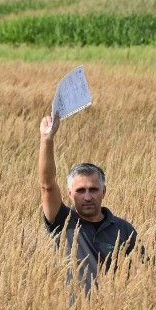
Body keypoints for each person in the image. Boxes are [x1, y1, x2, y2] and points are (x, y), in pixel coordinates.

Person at [39, 113, 139, 294]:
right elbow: (47, 185)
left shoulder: (123, 229)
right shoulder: (63, 222)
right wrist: (47, 139)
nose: (87, 197)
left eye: (93, 190)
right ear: (69, 194)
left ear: (103, 192)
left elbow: (141, 274)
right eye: (80, 191)